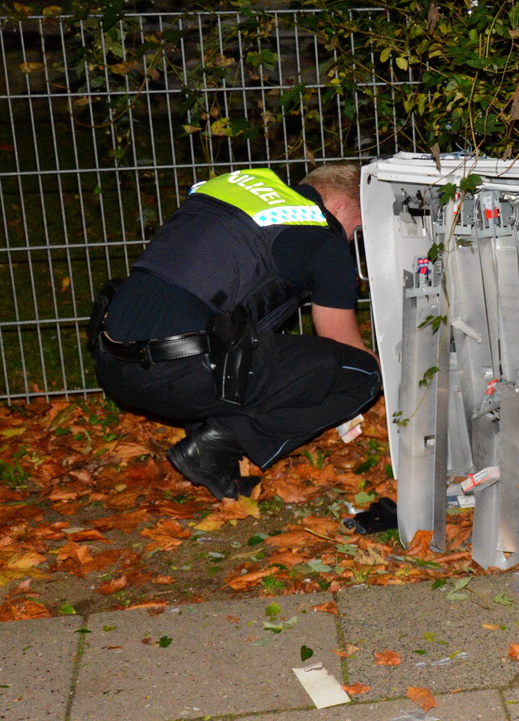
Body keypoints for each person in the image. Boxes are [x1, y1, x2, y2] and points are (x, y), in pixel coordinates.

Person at [89, 163, 383, 500]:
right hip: (179, 376)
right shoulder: (323, 235)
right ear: (343, 205)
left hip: (113, 363)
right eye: (358, 228)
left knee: (236, 335)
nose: (354, 239)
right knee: (363, 372)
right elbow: (343, 345)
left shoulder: (236, 192)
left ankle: (216, 453)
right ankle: (221, 442)